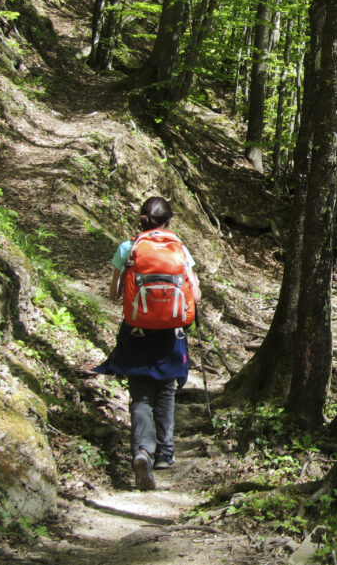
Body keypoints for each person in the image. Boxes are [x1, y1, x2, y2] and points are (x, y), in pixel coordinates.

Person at [95, 196, 201, 491]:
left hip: (137, 331)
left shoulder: (128, 248)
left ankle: (142, 450)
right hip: (171, 334)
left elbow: (114, 293)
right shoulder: (179, 248)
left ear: (142, 219)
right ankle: (165, 453)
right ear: (169, 222)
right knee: (167, 390)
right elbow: (196, 295)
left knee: (140, 395)